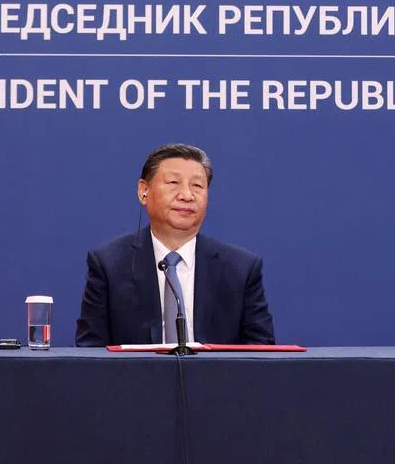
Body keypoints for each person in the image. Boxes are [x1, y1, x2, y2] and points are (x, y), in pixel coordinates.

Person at [75, 143, 275, 346]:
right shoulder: (109, 264)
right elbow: (91, 354)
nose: (187, 195)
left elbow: (261, 355)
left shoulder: (240, 269)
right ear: (144, 191)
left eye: (197, 186)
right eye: (173, 183)